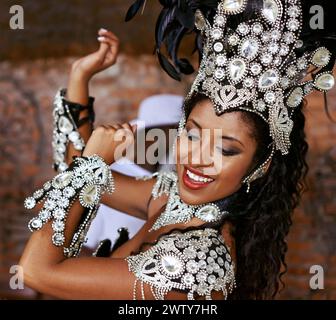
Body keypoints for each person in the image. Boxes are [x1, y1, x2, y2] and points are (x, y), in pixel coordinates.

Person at [20, 0, 335, 300]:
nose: (197, 159)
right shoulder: (173, 201)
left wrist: (92, 162)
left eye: (226, 150)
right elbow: (74, 180)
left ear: (260, 165)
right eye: (193, 136)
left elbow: (35, 272)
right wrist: (80, 78)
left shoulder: (198, 264)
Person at [84, 94, 183, 255]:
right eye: (170, 134)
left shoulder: (170, 183)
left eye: (183, 136)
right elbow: (84, 247)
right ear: (145, 134)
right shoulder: (113, 173)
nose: (177, 142)